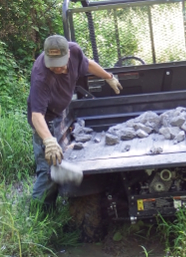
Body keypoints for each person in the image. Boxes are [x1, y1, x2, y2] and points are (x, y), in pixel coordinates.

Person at [27, 35, 122, 211]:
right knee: (48, 172)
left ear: (68, 54)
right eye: (53, 64)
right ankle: (37, 217)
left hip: (60, 112)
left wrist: (108, 77)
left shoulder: (75, 51)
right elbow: (36, 115)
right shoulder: (41, 76)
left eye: (61, 63)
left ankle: (52, 207)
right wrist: (49, 141)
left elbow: (88, 64)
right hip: (45, 121)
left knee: (59, 166)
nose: (57, 68)